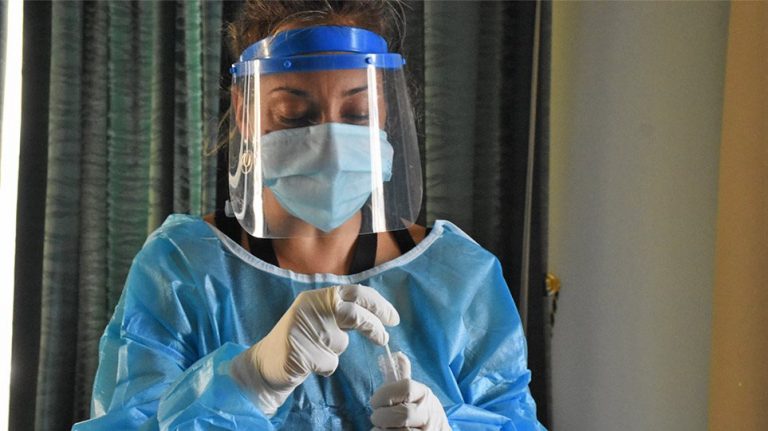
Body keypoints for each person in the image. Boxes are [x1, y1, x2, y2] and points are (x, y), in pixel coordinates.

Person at [72, 1, 545, 430]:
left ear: (384, 111)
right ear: (244, 111)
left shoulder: (457, 278)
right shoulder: (182, 272)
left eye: (357, 113)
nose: (330, 144)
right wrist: (247, 381)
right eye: (294, 114)